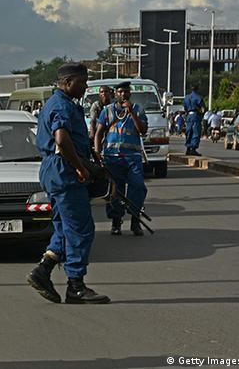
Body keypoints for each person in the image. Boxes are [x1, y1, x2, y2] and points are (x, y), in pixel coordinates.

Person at [27, 62, 110, 305]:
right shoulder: (61, 105)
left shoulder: (61, 103)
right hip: (64, 170)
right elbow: (62, 140)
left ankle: (43, 271)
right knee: (81, 228)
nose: (85, 87)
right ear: (67, 82)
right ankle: (76, 286)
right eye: (82, 83)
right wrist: (80, 167)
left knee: (64, 227)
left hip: (56, 171)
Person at [94, 81, 148, 236]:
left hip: (132, 158)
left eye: (126, 91)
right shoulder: (107, 111)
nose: (123, 94)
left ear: (130, 93)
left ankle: (135, 220)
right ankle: (116, 222)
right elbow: (98, 133)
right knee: (115, 192)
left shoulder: (138, 109)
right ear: (115, 94)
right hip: (112, 159)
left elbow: (142, 131)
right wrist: (98, 153)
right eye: (120, 92)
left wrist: (131, 112)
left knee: (137, 186)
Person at [183, 85, 205, 156]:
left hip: (189, 116)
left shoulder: (186, 97)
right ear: (197, 89)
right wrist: (201, 114)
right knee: (196, 132)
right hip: (195, 115)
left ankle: (188, 148)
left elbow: (185, 108)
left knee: (189, 131)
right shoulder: (198, 97)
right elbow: (203, 108)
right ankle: (193, 149)